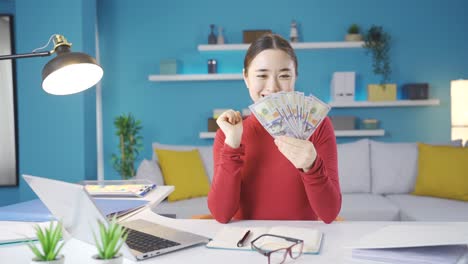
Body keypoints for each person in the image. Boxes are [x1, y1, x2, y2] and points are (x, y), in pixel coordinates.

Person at [207, 33, 341, 224]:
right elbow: (221, 214)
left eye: (284, 75)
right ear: (246, 77)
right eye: (262, 75)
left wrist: (312, 165)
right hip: (245, 244)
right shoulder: (228, 133)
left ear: (295, 77)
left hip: (301, 245)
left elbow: (329, 214)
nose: (273, 87)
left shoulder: (318, 127)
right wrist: (232, 145)